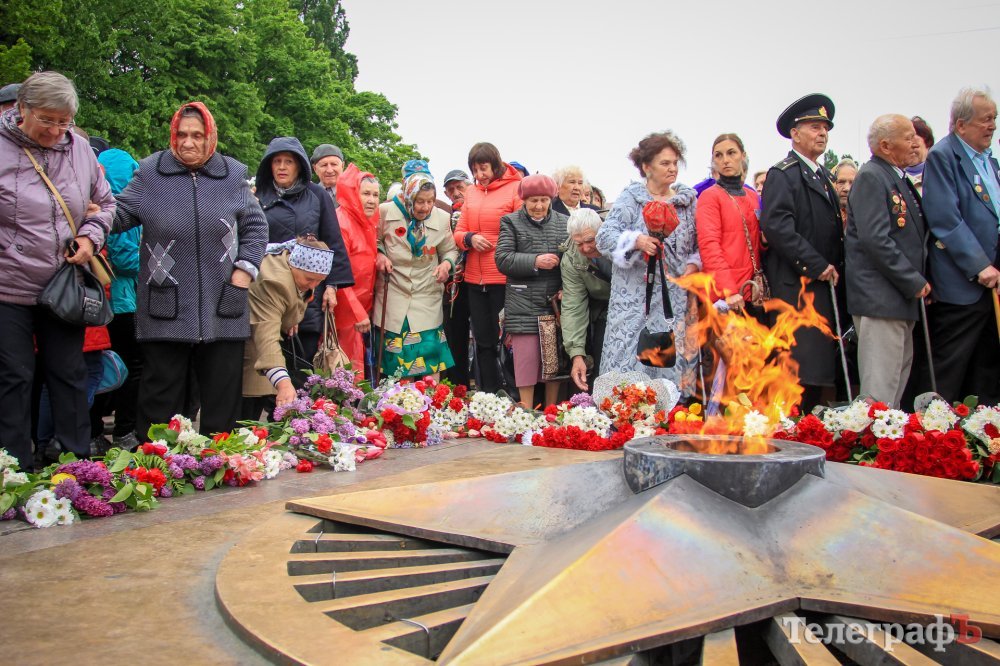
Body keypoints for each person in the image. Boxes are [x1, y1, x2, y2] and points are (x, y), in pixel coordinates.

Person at [113, 101, 267, 438]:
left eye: (197, 135)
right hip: (165, 300)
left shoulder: (232, 175)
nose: (188, 142)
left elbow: (256, 228)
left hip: (223, 297)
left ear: (210, 137)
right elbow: (120, 214)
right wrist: (92, 212)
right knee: (160, 392)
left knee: (222, 392)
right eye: (182, 135)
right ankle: (157, 457)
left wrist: (243, 273)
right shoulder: (150, 174)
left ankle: (219, 457)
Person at [0, 72, 114, 469]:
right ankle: (13, 469)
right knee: (14, 377)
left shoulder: (80, 150)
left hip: (63, 284)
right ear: (22, 109)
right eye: (46, 120)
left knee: (69, 374)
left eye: (63, 121)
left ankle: (75, 465)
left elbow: (106, 204)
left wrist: (89, 238)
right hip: (7, 286)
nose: (55, 130)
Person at [596, 131, 700, 394]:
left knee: (668, 362)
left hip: (673, 300)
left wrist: (693, 266)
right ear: (646, 167)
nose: (672, 168)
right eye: (665, 163)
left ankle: (669, 412)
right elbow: (604, 237)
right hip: (633, 300)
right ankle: (624, 411)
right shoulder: (631, 198)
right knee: (628, 363)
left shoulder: (687, 202)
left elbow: (700, 244)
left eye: (675, 162)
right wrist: (636, 241)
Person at [760, 93, 845, 412]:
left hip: (822, 289)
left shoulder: (823, 176)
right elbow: (777, 226)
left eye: (825, 128)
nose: (822, 133)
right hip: (796, 290)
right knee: (797, 375)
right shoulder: (784, 174)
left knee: (817, 377)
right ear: (795, 133)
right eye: (814, 127)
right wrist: (816, 264)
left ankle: (809, 430)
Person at [921, 88, 1000, 404]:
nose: (992, 126)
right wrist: (980, 265)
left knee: (987, 367)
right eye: (986, 119)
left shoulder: (989, 161)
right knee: (950, 367)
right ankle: (933, 427)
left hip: (992, 284)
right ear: (961, 124)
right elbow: (945, 219)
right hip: (962, 282)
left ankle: (983, 427)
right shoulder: (943, 156)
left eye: (994, 118)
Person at [845, 115, 928, 408]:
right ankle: (870, 439)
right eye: (908, 137)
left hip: (897, 300)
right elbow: (875, 239)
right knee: (878, 398)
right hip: (880, 300)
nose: (915, 142)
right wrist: (913, 280)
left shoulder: (893, 176)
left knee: (892, 392)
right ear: (886, 145)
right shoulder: (872, 176)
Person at [255, 137, 354, 372]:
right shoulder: (258, 196)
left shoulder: (317, 195)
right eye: (276, 161)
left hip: (308, 292)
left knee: (301, 365)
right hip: (267, 289)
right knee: (266, 359)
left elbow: (332, 241)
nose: (282, 167)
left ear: (299, 165)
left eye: (288, 161)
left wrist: (332, 286)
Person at [374, 173, 459, 379]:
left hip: (426, 294)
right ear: (408, 197)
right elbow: (373, 239)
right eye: (420, 201)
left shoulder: (442, 218)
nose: (425, 207)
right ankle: (403, 400)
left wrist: (446, 264)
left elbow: (450, 249)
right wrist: (380, 254)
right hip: (395, 293)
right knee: (400, 367)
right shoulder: (385, 212)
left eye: (430, 201)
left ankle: (432, 399)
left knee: (431, 363)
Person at [453, 142, 523, 392]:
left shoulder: (515, 189)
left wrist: (495, 244)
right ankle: (488, 395)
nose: (479, 175)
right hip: (475, 278)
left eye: (483, 168)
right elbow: (458, 232)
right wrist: (470, 238)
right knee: (483, 342)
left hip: (503, 278)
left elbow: (522, 232)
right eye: (475, 170)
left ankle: (515, 394)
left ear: (495, 165)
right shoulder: (471, 192)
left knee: (508, 342)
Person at [495, 174, 568, 407]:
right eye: (533, 200)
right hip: (522, 302)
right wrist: (535, 261)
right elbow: (502, 259)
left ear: (551, 199)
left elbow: (572, 261)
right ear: (524, 200)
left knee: (553, 362)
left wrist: (565, 288)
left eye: (544, 200)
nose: (538, 206)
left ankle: (551, 411)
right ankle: (526, 410)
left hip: (553, 302)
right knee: (525, 360)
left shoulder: (565, 223)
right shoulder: (510, 221)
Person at [242, 238, 336, 420]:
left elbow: (295, 298)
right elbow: (266, 336)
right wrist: (284, 384)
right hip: (248, 345)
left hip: (260, 343)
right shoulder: (275, 282)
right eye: (309, 279)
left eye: (320, 281)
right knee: (244, 415)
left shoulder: (296, 270)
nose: (313, 286)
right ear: (293, 265)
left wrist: (290, 317)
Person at [99, 148, 143, 451]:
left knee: (103, 367)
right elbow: (126, 260)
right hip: (124, 300)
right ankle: (125, 431)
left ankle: (95, 431)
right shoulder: (121, 209)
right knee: (132, 368)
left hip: (101, 304)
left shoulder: (95, 206)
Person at [696, 133, 764, 314]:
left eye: (731, 153)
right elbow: (709, 246)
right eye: (718, 155)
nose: (725, 160)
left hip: (753, 290)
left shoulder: (752, 196)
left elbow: (756, 243)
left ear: (743, 156)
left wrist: (764, 241)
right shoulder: (710, 196)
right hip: (727, 296)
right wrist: (728, 290)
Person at [333, 164, 380, 373]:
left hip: (362, 308)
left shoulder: (367, 222)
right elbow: (338, 271)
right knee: (347, 369)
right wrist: (357, 312)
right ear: (354, 194)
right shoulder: (342, 221)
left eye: (376, 195)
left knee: (358, 367)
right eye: (366, 194)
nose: (372, 200)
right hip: (345, 311)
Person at [561, 208, 612, 392]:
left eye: (590, 240)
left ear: (602, 231)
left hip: (638, 308)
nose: (586, 248)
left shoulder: (622, 240)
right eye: (579, 243)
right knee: (603, 372)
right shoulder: (571, 257)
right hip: (603, 311)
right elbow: (573, 305)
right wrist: (576, 354)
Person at [442, 168, 473, 386]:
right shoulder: (445, 216)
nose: (456, 192)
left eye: (460, 187)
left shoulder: (479, 209)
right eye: (451, 189)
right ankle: (458, 385)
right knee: (455, 334)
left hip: (480, 279)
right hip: (454, 283)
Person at [906, 116, 935, 194]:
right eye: (907, 144)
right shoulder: (895, 178)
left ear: (928, 145)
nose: (911, 149)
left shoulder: (940, 174)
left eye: (915, 146)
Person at [832, 158, 858, 227]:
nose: (847, 188)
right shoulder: (823, 215)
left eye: (852, 183)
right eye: (841, 182)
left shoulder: (866, 219)